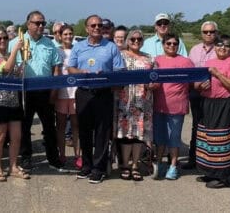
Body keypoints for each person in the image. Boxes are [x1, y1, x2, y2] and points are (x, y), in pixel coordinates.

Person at [67, 14, 124, 184]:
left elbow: (120, 70)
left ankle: (98, 168)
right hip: (84, 92)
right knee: (84, 130)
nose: (97, 28)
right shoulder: (78, 46)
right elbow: (70, 68)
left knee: (101, 132)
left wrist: (106, 75)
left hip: (103, 93)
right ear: (86, 28)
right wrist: (81, 72)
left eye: (99, 25)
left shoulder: (111, 47)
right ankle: (86, 165)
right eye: (93, 26)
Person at [8, 10, 65, 172]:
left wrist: (54, 91)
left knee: (49, 126)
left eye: (43, 23)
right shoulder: (16, 42)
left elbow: (56, 68)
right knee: (24, 126)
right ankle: (26, 158)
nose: (41, 26)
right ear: (28, 24)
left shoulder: (50, 43)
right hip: (24, 91)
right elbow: (8, 67)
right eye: (37, 23)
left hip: (45, 91)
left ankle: (53, 158)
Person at [195, 34, 230, 188]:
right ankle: (210, 172)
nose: (222, 47)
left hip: (226, 104)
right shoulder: (209, 62)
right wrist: (200, 86)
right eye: (219, 45)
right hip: (209, 103)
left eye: (226, 45)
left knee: (222, 139)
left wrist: (218, 74)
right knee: (207, 139)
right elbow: (198, 85)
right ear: (214, 47)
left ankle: (222, 177)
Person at [0, 25, 29, 181]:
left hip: (13, 100)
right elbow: (6, 68)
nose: (3, 41)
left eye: (5, 38)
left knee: (16, 136)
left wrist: (23, 63)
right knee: (0, 136)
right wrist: (16, 50)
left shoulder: (9, 54)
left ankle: (14, 166)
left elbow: (15, 73)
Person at [114, 30, 157, 182]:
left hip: (143, 102)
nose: (136, 41)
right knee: (126, 133)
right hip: (125, 100)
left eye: (139, 38)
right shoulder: (120, 56)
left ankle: (135, 166)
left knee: (139, 134)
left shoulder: (149, 58)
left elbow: (156, 79)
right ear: (127, 40)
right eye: (133, 39)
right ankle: (125, 165)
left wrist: (153, 85)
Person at [152, 33, 194, 180]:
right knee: (160, 138)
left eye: (174, 43)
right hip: (159, 106)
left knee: (174, 138)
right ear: (163, 45)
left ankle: (173, 165)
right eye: (168, 43)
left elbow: (192, 83)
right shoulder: (156, 61)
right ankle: (159, 163)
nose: (171, 46)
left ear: (178, 45)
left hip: (177, 106)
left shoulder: (186, 62)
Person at [183, 21, 218, 169]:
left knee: (214, 128)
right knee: (197, 126)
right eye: (206, 32)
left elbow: (229, 71)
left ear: (216, 32)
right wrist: (195, 84)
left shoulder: (223, 48)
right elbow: (189, 72)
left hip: (215, 95)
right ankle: (193, 159)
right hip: (197, 93)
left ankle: (212, 161)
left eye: (212, 31)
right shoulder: (195, 50)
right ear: (201, 33)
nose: (209, 34)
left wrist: (213, 83)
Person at [54, 25, 81, 169]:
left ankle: (78, 155)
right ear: (60, 35)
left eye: (70, 34)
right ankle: (62, 155)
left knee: (76, 125)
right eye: (65, 34)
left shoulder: (78, 50)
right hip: (61, 93)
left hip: (76, 93)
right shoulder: (56, 51)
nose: (68, 36)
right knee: (61, 126)